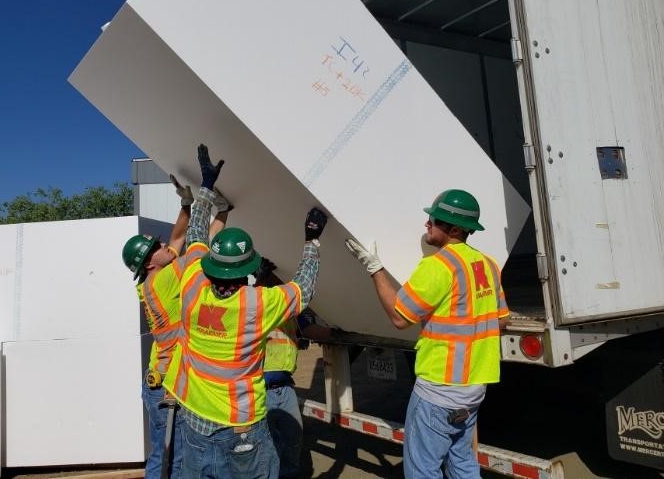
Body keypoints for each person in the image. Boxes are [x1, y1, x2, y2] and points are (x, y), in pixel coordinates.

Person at [163, 144, 329, 479]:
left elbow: (196, 234)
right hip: (241, 427)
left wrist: (206, 186)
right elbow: (303, 290)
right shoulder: (257, 303)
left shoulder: (192, 283)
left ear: (211, 262)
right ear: (247, 269)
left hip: (194, 421)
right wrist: (311, 241)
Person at [345, 189, 509, 479]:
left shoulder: (438, 266)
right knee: (463, 463)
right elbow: (502, 322)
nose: (426, 224)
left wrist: (374, 268)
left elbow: (399, 317)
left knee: (423, 470)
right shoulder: (488, 265)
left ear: (455, 229)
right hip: (473, 389)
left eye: (434, 220)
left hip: (438, 390)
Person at [121, 174, 231, 479]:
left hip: (160, 381)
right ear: (149, 262)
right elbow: (199, 248)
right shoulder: (165, 279)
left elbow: (176, 241)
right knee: (173, 459)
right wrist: (221, 211)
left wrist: (186, 204)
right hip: (168, 387)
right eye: (156, 247)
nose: (163, 245)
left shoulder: (152, 279)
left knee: (165, 455)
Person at [254, 261, 331, 479]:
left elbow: (312, 330)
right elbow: (251, 301)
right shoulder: (258, 302)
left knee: (293, 440)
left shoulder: (291, 308)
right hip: (261, 388)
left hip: (285, 388)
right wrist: (261, 277)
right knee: (266, 447)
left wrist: (340, 334)